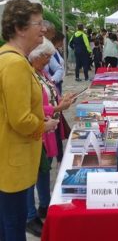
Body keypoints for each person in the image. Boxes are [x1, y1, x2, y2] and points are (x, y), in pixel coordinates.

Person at [0, 0, 58, 241]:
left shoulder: (10, 58)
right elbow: (21, 119)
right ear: (19, 28)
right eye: (37, 23)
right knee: (13, 229)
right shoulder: (15, 63)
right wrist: (45, 125)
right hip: (12, 163)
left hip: (10, 160)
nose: (43, 28)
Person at [27, 39, 73, 237]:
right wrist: (56, 108)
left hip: (48, 128)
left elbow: (51, 93)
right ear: (35, 56)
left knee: (45, 168)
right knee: (32, 173)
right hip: (38, 129)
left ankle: (44, 205)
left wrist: (62, 100)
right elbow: (32, 106)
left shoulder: (42, 73)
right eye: (46, 57)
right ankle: (30, 216)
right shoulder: (27, 75)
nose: (48, 61)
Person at [46, 30, 65, 95]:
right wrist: (52, 80)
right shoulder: (49, 51)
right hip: (53, 81)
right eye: (61, 41)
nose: (62, 43)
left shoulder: (56, 50)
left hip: (57, 80)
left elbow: (59, 68)